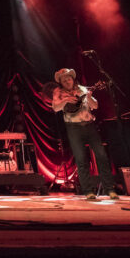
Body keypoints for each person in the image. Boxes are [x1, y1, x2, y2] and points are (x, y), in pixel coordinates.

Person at [52, 68, 118, 200]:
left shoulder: (82, 89)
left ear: (72, 79)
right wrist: (66, 101)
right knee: (81, 159)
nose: (66, 81)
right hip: (73, 128)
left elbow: (95, 106)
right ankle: (88, 191)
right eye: (63, 79)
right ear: (60, 82)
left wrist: (88, 97)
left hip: (89, 126)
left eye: (68, 78)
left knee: (101, 156)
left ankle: (109, 189)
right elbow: (55, 108)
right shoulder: (58, 92)